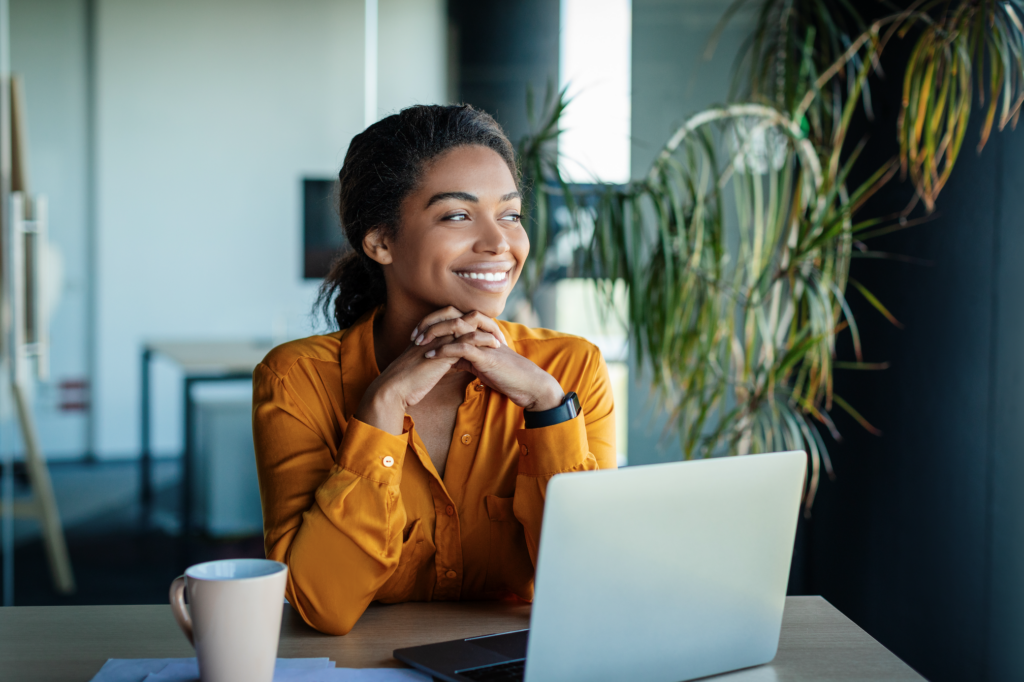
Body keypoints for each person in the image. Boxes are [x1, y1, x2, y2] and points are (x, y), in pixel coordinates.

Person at [252, 104, 616, 636]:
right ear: (379, 241)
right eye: (457, 215)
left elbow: (594, 586)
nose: (499, 244)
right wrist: (380, 411)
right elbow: (321, 605)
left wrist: (547, 409)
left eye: (510, 215)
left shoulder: (568, 371)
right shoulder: (296, 380)